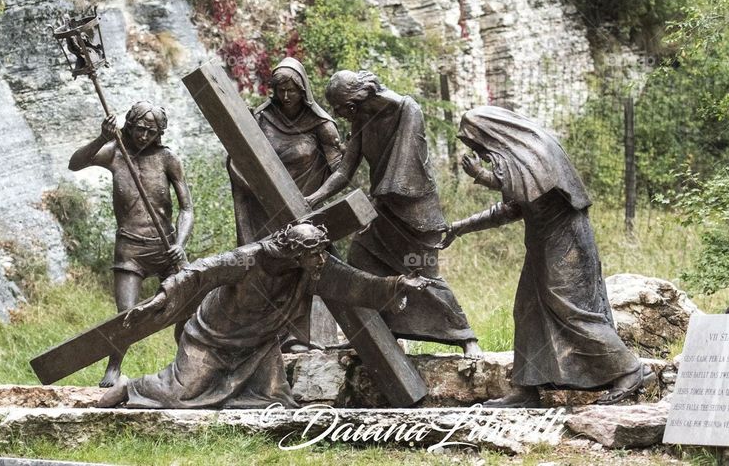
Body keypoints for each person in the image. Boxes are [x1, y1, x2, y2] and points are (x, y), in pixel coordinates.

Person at [97, 222, 434, 409]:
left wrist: (398, 284)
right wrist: (162, 297)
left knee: (276, 403)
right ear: (294, 254)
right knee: (176, 395)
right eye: (314, 255)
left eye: (321, 253)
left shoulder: (314, 268)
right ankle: (131, 387)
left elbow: (354, 284)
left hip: (258, 346)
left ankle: (232, 397)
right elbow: (200, 273)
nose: (322, 260)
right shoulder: (249, 259)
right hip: (211, 341)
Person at [439, 106, 647, 407]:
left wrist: (485, 177)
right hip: (542, 245)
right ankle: (528, 387)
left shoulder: (537, 151)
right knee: (528, 310)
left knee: (572, 310)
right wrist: (460, 227)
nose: (481, 154)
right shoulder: (518, 161)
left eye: (479, 147)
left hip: (567, 244)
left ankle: (629, 370)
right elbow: (512, 207)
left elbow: (524, 194)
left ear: (493, 135)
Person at [305, 70, 480, 357]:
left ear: (354, 102)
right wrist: (314, 198)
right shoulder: (362, 118)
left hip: (415, 212)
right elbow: (346, 169)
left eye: (340, 109)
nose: (340, 115)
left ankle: (465, 337)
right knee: (360, 260)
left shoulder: (406, 109)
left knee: (424, 273)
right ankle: (372, 334)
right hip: (384, 209)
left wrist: (376, 205)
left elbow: (404, 171)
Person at [68, 101, 193, 388]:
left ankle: (187, 364)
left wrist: (181, 243)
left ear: (159, 132)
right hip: (130, 250)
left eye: (151, 131)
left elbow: (187, 208)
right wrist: (103, 136)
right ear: (129, 125)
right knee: (126, 315)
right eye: (139, 129)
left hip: (166, 248)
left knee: (187, 307)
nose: (144, 136)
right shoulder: (115, 153)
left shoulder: (167, 159)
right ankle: (114, 366)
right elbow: (75, 164)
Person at [228, 57, 344, 352]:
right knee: (272, 267)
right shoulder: (263, 118)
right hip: (266, 210)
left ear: (303, 89)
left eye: (292, 90)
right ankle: (268, 336)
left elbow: (341, 171)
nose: (286, 96)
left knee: (308, 266)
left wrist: (317, 198)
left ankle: (304, 336)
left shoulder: (321, 124)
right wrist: (244, 177)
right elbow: (240, 157)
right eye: (280, 90)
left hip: (306, 209)